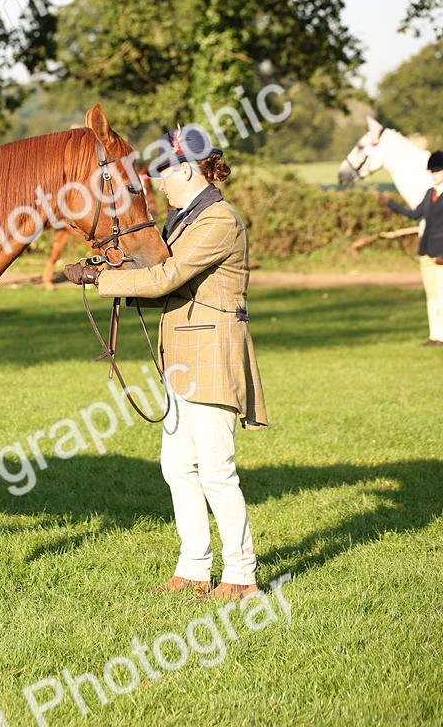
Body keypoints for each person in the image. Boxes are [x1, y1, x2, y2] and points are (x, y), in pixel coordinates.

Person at [65, 126, 267, 600]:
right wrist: (106, 269)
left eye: (164, 173)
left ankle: (242, 575)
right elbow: (162, 281)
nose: (157, 182)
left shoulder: (218, 220)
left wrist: (101, 281)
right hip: (180, 357)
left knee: (217, 470)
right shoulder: (183, 219)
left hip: (213, 354)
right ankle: (194, 568)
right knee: (178, 467)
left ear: (189, 171)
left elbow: (165, 278)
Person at [378, 151, 443, 346]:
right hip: (426, 250)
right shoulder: (429, 194)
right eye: (432, 171)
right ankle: (435, 334)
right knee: (431, 295)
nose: (434, 174)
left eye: (438, 170)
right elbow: (415, 214)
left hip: (442, 254)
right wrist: (391, 204)